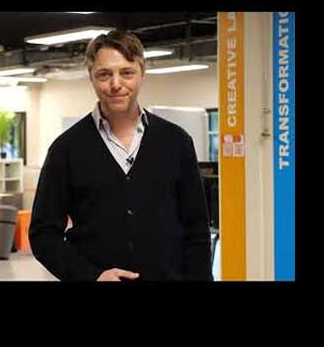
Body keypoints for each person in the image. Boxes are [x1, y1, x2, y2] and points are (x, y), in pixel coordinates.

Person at [29, 30, 212, 281]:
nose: (116, 84)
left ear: (142, 74)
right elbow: (43, 235)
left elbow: (196, 231)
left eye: (127, 73)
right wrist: (91, 276)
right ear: (91, 78)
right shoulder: (66, 149)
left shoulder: (176, 142)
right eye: (104, 74)